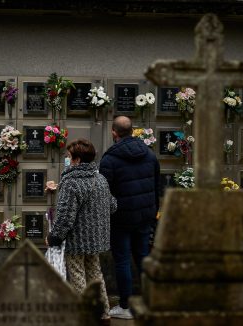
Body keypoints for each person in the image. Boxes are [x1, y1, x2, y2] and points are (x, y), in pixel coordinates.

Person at [47, 138, 117, 325]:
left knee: (77, 277)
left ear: (77, 160)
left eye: (69, 156)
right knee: (96, 276)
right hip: (97, 240)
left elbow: (65, 217)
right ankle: (104, 316)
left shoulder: (71, 182)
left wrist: (53, 237)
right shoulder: (100, 178)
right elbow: (113, 206)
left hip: (76, 241)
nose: (67, 159)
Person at [99, 116, 160, 319]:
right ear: (133, 131)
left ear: (114, 133)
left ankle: (125, 307)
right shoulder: (150, 155)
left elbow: (103, 193)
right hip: (145, 216)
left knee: (122, 260)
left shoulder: (109, 159)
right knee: (143, 257)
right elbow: (156, 187)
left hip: (121, 219)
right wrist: (152, 214)